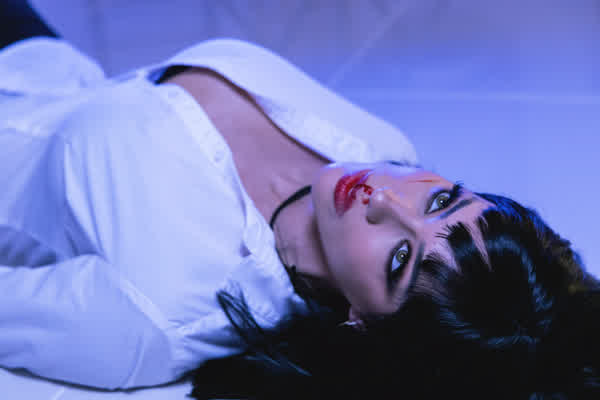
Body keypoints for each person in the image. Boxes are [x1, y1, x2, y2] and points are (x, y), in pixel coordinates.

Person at [1, 2, 598, 399]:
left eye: (399, 259)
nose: (386, 197)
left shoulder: (159, 316)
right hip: (38, 60)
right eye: (441, 201)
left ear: (363, 324)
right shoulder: (385, 148)